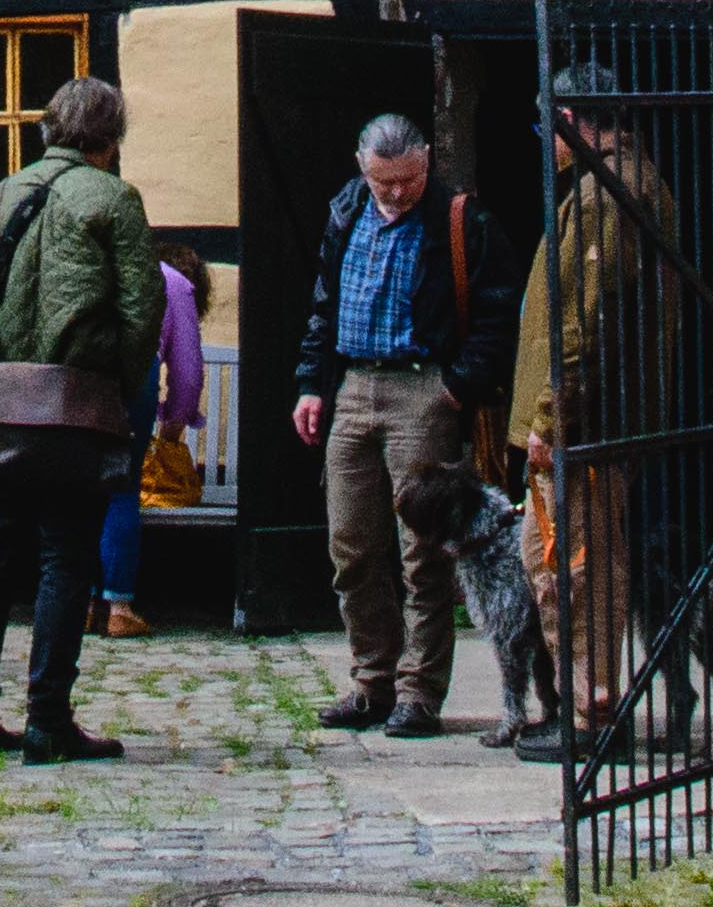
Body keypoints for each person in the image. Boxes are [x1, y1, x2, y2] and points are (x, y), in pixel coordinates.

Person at [0, 74, 153, 765]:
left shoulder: (3, 192)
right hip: (77, 404)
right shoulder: (114, 198)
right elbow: (140, 310)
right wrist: (109, 379)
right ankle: (46, 720)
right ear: (110, 138)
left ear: (50, 128)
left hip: (7, 402)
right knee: (65, 556)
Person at [289, 112, 510, 735]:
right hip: (355, 384)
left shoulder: (460, 219)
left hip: (423, 386)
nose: (396, 192)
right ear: (363, 167)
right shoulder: (346, 210)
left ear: (427, 162)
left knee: (424, 552)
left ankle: (420, 692)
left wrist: (455, 387)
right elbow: (323, 306)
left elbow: (497, 312)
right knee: (351, 544)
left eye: (407, 180)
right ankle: (372, 682)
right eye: (384, 181)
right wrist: (312, 384)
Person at [508, 65, 686, 765]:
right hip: (599, 418)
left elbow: (584, 320)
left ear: (573, 116)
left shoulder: (607, 193)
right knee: (571, 560)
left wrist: (552, 420)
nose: (547, 143)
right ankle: (589, 702)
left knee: (571, 566)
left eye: (547, 125)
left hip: (587, 424)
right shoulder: (624, 184)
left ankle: (590, 712)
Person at [91, 235, 207, 639]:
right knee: (122, 489)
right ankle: (119, 607)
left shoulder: (93, 270)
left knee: (84, 490)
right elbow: (188, 366)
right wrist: (175, 422)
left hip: (80, 376)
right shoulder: (172, 282)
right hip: (133, 377)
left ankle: (85, 605)